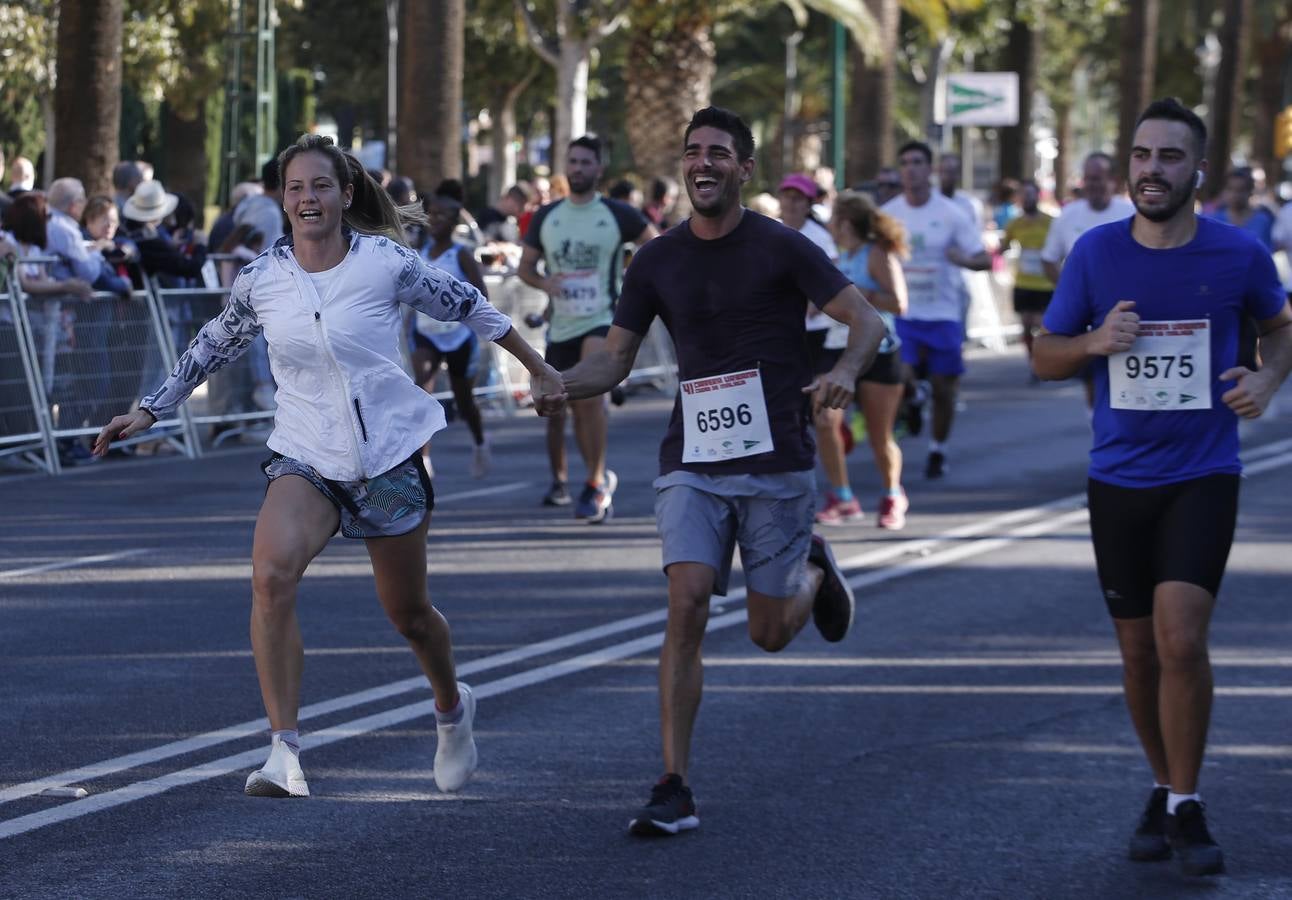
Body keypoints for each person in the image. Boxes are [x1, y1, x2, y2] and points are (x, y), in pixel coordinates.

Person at [93, 133, 567, 799]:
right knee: (269, 577)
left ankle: (450, 707)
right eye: (295, 188)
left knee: (409, 615)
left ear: (345, 196)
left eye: (320, 186)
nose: (307, 198)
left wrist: (540, 368)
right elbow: (211, 345)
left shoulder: (384, 264)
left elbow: (471, 306)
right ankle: (283, 750)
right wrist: (149, 409)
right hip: (305, 452)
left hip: (387, 455)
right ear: (281, 201)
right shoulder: (263, 280)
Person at [549, 106, 885, 837]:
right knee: (687, 603)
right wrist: (560, 382)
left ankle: (816, 572)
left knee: (767, 632)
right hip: (694, 460)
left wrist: (847, 372)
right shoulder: (657, 259)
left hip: (777, 461)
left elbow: (867, 322)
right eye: (693, 151)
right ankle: (673, 784)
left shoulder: (784, 247)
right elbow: (614, 358)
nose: (704, 163)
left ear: (744, 169)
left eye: (719, 154)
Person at [1033, 98, 1292, 879]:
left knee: (1182, 639)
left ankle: (1186, 801)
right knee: (1140, 655)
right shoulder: (1095, 253)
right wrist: (1092, 342)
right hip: (1117, 479)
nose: (1152, 170)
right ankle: (1159, 782)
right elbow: (1045, 354)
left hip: (1203, 474)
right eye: (1142, 155)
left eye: (1169, 158)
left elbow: (1281, 327)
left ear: (1197, 171)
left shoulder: (1238, 253)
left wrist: (1268, 377)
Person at [519, 135, 657, 520]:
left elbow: (656, 248)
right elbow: (525, 267)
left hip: (603, 319)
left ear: (599, 169)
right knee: (566, 405)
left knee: (589, 399)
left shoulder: (617, 213)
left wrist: (635, 287)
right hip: (561, 324)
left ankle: (595, 483)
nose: (577, 168)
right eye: (573, 162)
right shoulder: (548, 216)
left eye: (585, 162)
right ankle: (589, 477)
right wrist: (545, 283)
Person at [883, 141, 991, 478]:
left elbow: (984, 258)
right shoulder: (889, 214)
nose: (911, 168)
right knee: (900, 377)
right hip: (904, 313)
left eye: (917, 162)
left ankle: (937, 450)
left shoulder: (951, 214)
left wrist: (964, 260)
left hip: (944, 313)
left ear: (929, 170)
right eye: (905, 163)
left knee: (946, 389)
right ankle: (916, 397)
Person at [824, 190, 910, 529]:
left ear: (845, 222)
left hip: (880, 351)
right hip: (844, 351)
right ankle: (842, 496)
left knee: (879, 435)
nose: (829, 224)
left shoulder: (877, 255)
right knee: (824, 422)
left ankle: (892, 495)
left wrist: (861, 295)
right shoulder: (841, 257)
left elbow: (899, 303)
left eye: (833, 218)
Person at [1040, 152, 1137, 410]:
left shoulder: (1131, 213)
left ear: (1113, 181)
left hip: (1126, 310)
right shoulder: (1068, 215)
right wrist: (1069, 294)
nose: (1092, 184)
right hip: (1088, 314)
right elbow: (1049, 259)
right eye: (1088, 178)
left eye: (1099, 178)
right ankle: (1098, 422)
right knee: (1095, 374)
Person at [411, 181, 493, 478]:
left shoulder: (461, 254)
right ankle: (424, 460)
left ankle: (481, 442)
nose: (435, 221)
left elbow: (482, 294)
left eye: (442, 216)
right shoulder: (420, 252)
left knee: (464, 400)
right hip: (426, 333)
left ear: (454, 220)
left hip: (458, 336)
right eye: (431, 214)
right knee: (423, 388)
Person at [1003, 180, 1056, 372]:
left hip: (1045, 283)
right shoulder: (1015, 223)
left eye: (1030, 194)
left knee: (1040, 324)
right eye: (1023, 195)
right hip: (1023, 281)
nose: (1027, 199)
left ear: (1038, 196)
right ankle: (1033, 360)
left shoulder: (1050, 222)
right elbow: (1004, 246)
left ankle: (1044, 359)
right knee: (1026, 326)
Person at [1204, 167, 1275, 250]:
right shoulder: (1214, 220)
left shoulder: (1262, 221)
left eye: (1241, 190)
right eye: (1230, 189)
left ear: (1250, 191)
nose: (1235, 195)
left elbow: (1267, 251)